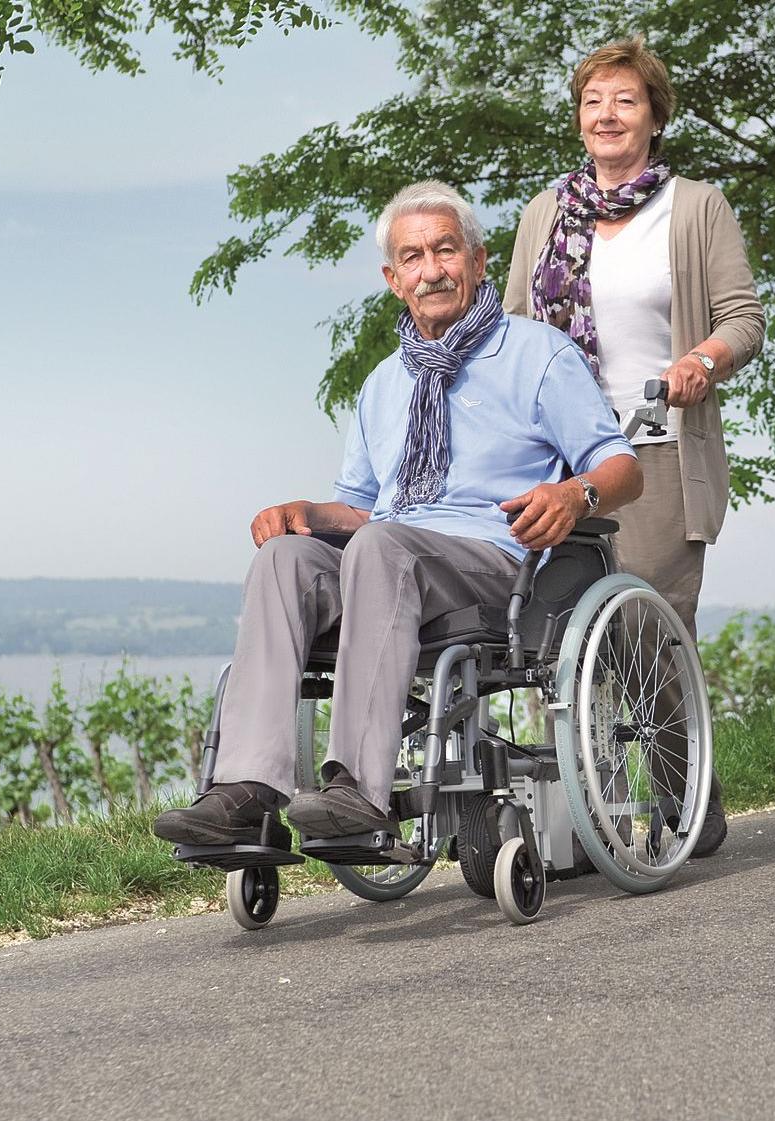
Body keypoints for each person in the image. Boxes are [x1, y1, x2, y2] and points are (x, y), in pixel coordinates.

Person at [153, 180, 641, 847]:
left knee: (383, 546)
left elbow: (620, 466)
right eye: (413, 257)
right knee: (285, 557)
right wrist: (305, 511)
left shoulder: (537, 354)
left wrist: (573, 493)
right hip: (387, 557)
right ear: (392, 278)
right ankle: (248, 791)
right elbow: (358, 507)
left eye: (445, 250)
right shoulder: (385, 383)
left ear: (478, 260)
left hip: (494, 563)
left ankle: (356, 784)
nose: (431, 269)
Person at [503, 36, 766, 854]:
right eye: (592, 101)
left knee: (649, 630)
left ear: (653, 115)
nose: (606, 114)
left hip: (654, 445)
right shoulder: (545, 212)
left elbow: (742, 320)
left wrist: (700, 360)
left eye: (623, 99)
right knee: (566, 643)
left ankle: (685, 793)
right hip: (561, 453)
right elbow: (509, 330)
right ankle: (592, 819)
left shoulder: (693, 207)